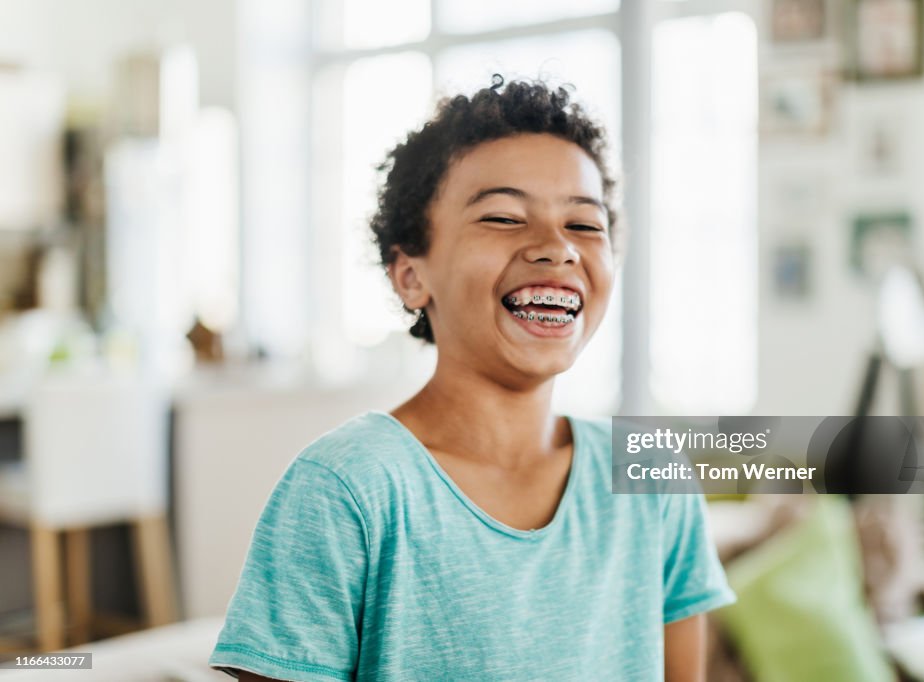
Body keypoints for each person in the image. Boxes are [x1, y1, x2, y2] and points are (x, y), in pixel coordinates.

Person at [208, 75, 734, 682]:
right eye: (505, 217)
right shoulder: (347, 489)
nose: (557, 248)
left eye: (585, 226)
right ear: (410, 276)